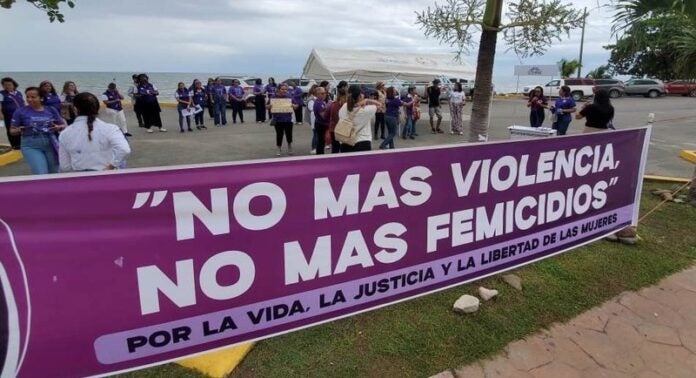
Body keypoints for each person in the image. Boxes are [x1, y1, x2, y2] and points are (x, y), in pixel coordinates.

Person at [58, 92, 131, 172]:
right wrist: (112, 166)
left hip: (80, 176)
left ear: (75, 109)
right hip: (105, 173)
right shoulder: (110, 129)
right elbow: (124, 150)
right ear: (97, 108)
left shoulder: (65, 133)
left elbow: (64, 166)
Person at [9, 87, 66, 174]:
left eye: (33, 97)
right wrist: (18, 130)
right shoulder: (20, 111)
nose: (29, 99)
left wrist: (58, 127)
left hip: (50, 143)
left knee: (55, 172)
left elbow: (63, 125)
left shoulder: (51, 109)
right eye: (27, 97)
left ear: (41, 98)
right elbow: (12, 131)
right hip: (31, 145)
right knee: (41, 173)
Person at [338, 84, 381, 153]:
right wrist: (366, 100)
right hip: (362, 142)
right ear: (360, 96)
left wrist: (361, 103)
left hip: (345, 141)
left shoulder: (344, 107)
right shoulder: (366, 110)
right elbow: (379, 105)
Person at [267, 83, 298, 156]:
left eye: (286, 89)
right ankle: (278, 148)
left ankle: (289, 147)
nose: (284, 91)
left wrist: (293, 105)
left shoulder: (289, 96)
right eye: (282, 89)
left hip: (288, 119)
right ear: (278, 89)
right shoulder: (273, 97)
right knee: (279, 134)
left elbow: (296, 106)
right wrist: (269, 106)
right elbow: (266, 106)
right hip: (278, 120)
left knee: (289, 134)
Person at [0, 77, 25, 149]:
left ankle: (22, 144)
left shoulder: (19, 93)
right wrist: (0, 114)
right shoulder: (1, 94)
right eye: (5, 85)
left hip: (21, 115)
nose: (7, 86)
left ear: (13, 85)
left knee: (21, 129)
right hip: (9, 115)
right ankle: (15, 145)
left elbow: (22, 102)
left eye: (9, 84)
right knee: (11, 130)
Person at [327, 80, 348, 153]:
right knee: (344, 149)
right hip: (342, 129)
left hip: (333, 128)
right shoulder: (347, 104)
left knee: (335, 149)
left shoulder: (333, 103)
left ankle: (334, 163)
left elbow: (326, 116)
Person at [312, 86, 331, 155]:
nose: (324, 95)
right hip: (321, 124)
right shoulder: (318, 103)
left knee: (322, 142)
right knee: (321, 142)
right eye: (322, 93)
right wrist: (329, 107)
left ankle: (320, 155)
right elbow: (323, 116)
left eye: (325, 93)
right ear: (317, 94)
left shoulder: (321, 102)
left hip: (322, 124)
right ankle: (320, 156)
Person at [306, 84, 319, 153]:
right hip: (314, 119)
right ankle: (314, 148)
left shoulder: (315, 98)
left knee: (316, 134)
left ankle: (316, 147)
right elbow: (311, 108)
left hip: (316, 118)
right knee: (315, 134)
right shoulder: (311, 99)